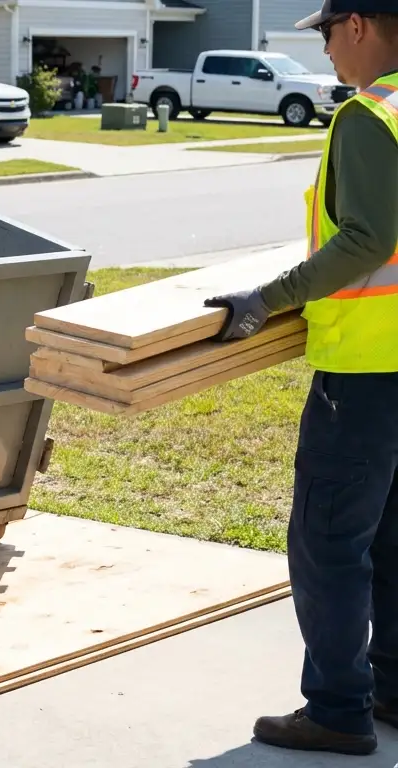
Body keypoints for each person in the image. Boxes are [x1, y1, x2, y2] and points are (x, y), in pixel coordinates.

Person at [203, 1, 398, 756]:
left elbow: (368, 238)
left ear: (357, 25)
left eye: (323, 33)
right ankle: (390, 688)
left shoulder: (368, 117)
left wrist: (270, 296)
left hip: (364, 369)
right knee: (391, 538)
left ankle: (338, 710)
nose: (323, 52)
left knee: (329, 542)